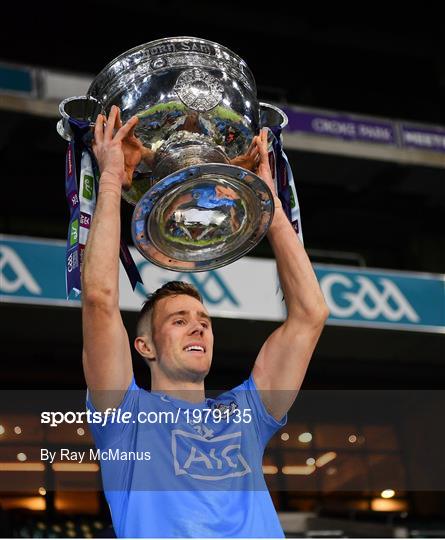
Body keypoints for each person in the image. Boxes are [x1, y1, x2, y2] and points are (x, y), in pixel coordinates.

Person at [83, 105, 329, 537]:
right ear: (145, 347)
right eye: (179, 321)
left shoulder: (246, 414)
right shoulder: (124, 419)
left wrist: (267, 201)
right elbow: (101, 300)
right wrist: (109, 180)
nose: (199, 327)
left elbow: (311, 314)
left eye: (203, 320)